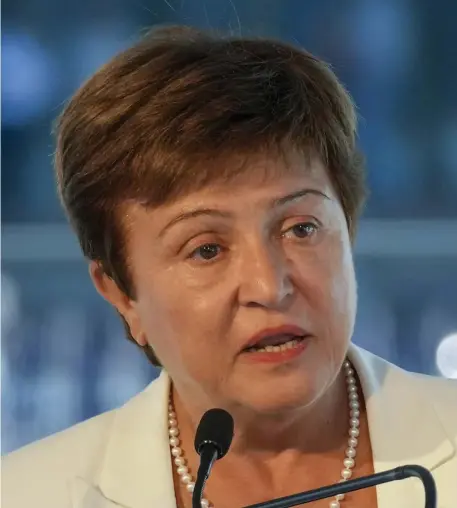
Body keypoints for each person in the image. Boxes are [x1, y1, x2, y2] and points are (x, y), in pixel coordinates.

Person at [2, 25, 456, 508]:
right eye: (206, 250)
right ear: (121, 293)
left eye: (301, 229)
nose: (269, 285)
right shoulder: (27, 493)